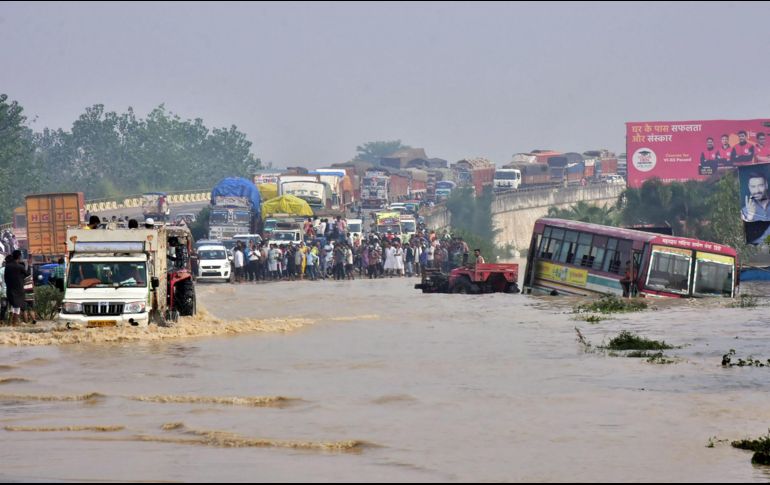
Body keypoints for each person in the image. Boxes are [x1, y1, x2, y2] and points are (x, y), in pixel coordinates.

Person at [4, 251, 29, 326]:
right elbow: (27, 275)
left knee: (12, 306)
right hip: (19, 290)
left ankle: (9, 324)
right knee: (17, 307)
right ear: (19, 257)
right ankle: (14, 325)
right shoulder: (20, 267)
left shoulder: (7, 266)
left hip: (9, 289)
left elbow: (5, 278)